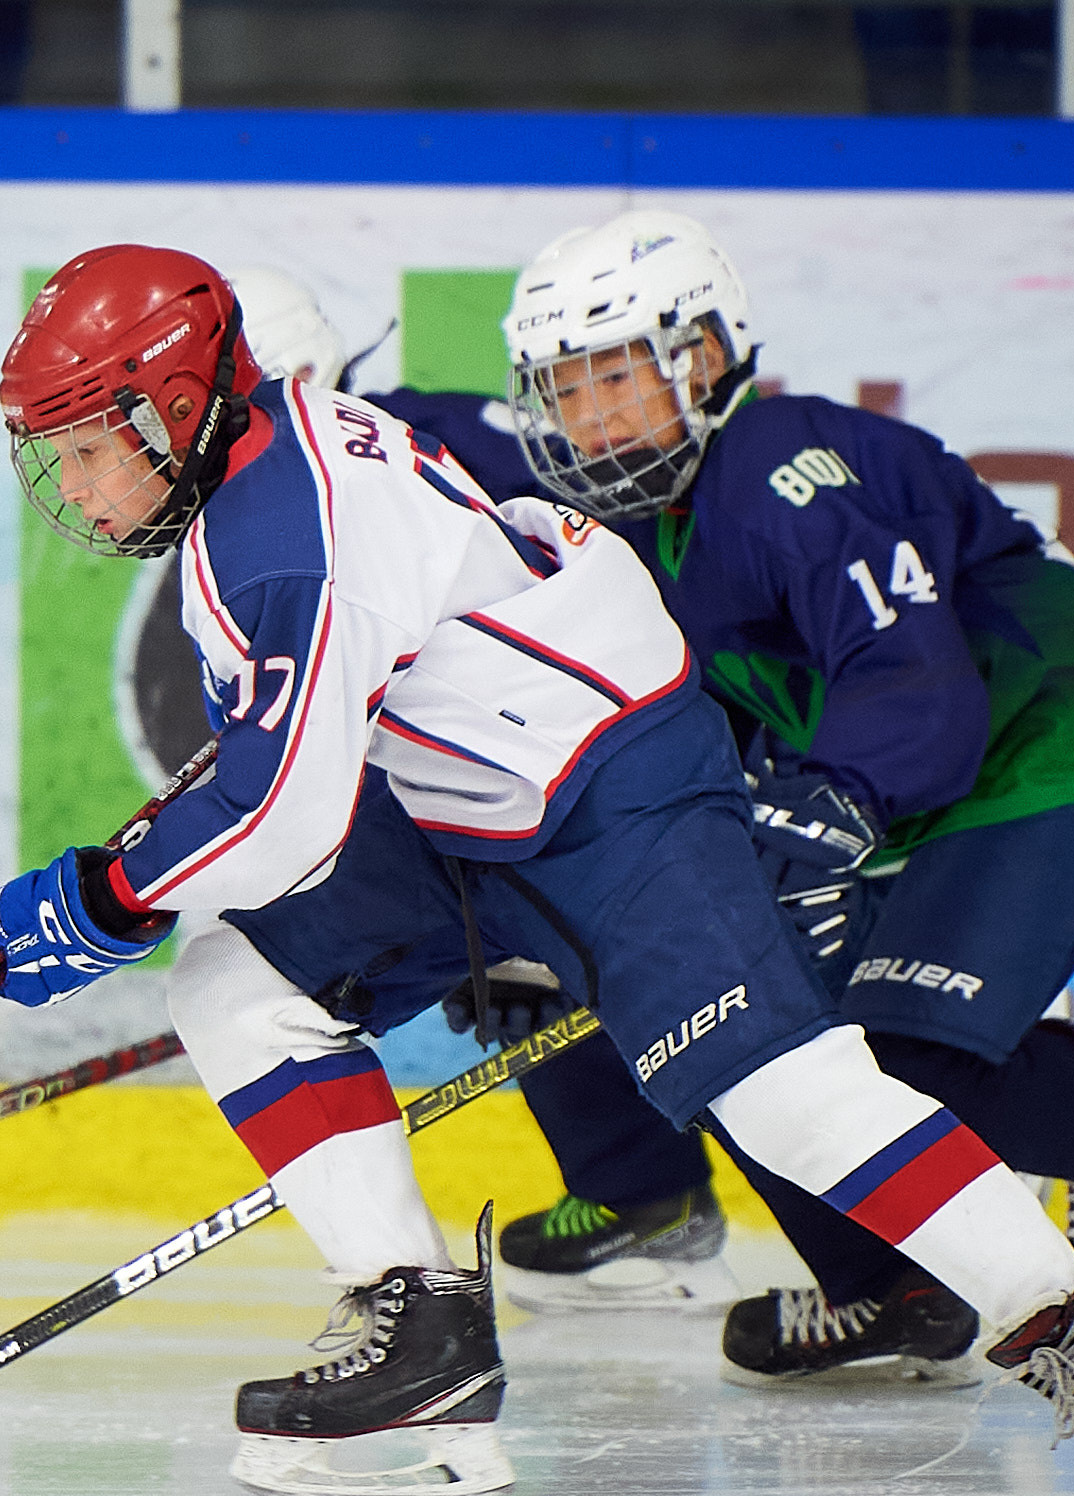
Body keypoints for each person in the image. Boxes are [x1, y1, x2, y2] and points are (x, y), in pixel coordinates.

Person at [0, 243, 1074, 1496]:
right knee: (240, 978)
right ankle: (420, 1331)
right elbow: (301, 759)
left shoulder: (283, 532)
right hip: (463, 807)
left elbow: (284, 806)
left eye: (88, 445)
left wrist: (99, 900)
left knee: (784, 1096)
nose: (74, 483)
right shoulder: (265, 473)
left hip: (613, 793)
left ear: (177, 407)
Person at [490, 211, 1074, 1390]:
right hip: (892, 777)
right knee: (737, 1025)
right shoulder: (649, 529)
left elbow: (916, 677)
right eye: (565, 388)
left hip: (1024, 759)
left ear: (704, 359)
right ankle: (891, 1283)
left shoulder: (779, 463)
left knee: (918, 1060)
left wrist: (828, 803)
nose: (589, 415)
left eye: (614, 375)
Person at [228, 264, 737, 1310]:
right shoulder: (367, 455)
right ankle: (645, 1195)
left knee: (594, 960)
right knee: (514, 962)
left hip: (604, 740)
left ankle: (659, 1198)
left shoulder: (372, 456)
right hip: (576, 739)